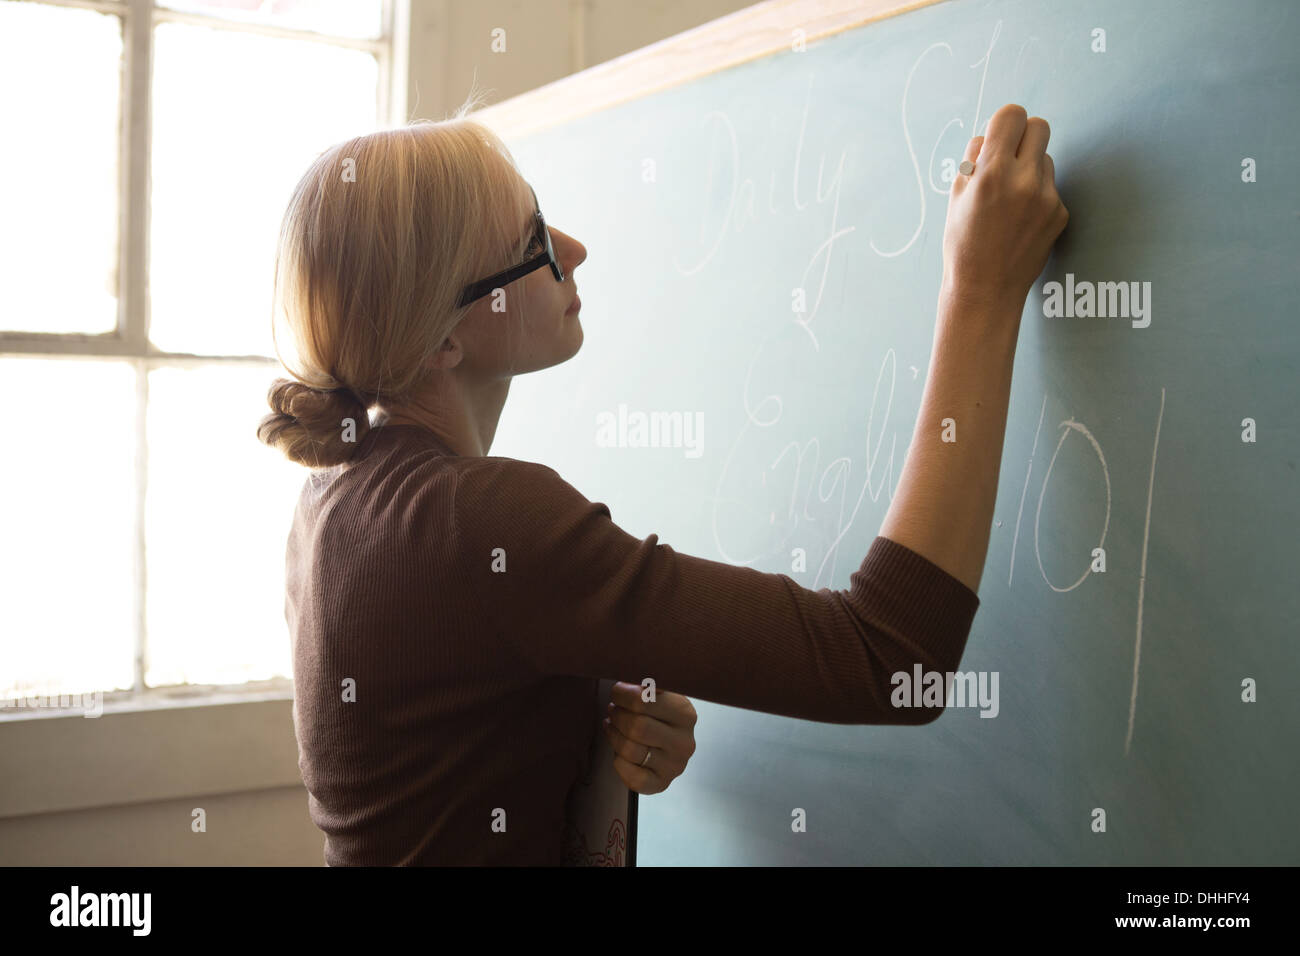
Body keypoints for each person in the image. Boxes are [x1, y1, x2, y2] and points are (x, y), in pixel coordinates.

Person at [258, 100, 1068, 865]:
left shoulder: (333, 501)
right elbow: (891, 657)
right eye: (532, 238)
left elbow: (451, 742)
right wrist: (982, 291)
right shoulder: (485, 518)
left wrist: (587, 711)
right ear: (444, 340)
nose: (571, 250)